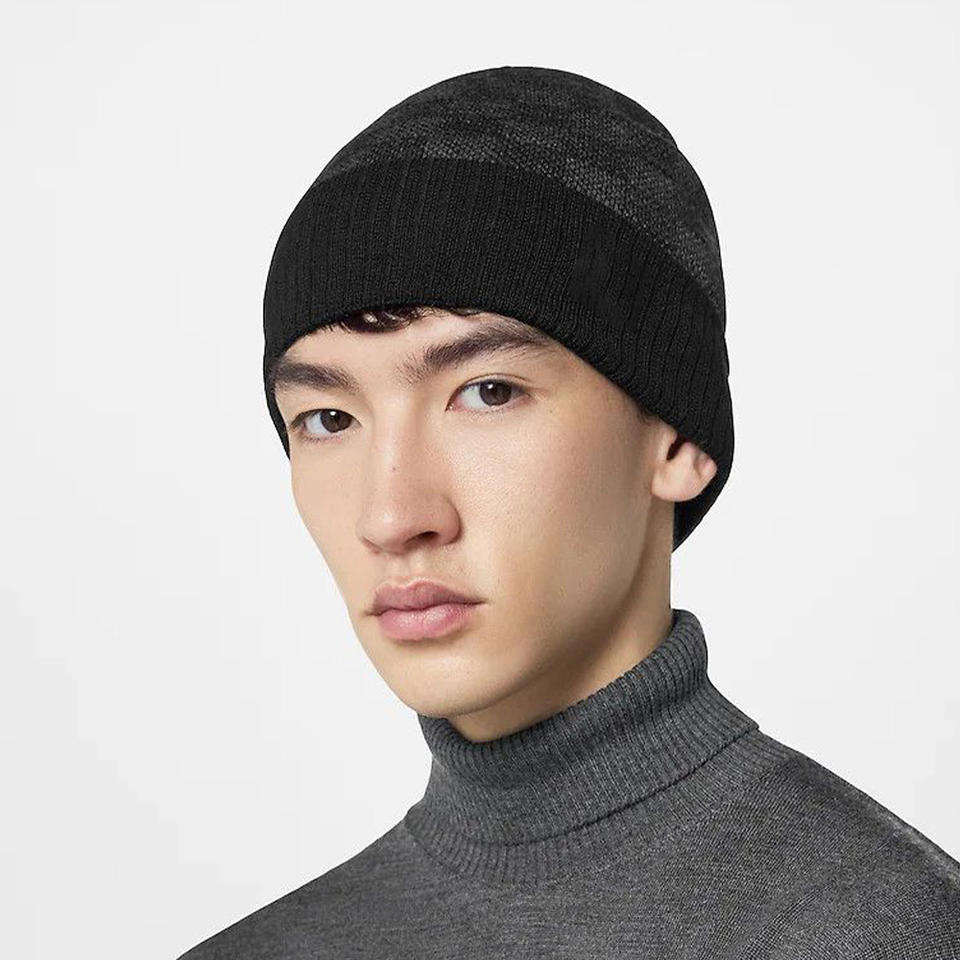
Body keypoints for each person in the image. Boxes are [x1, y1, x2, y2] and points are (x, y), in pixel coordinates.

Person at [177, 65, 960, 958]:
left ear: (676, 438)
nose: (391, 517)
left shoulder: (876, 932)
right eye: (328, 419)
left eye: (489, 391)